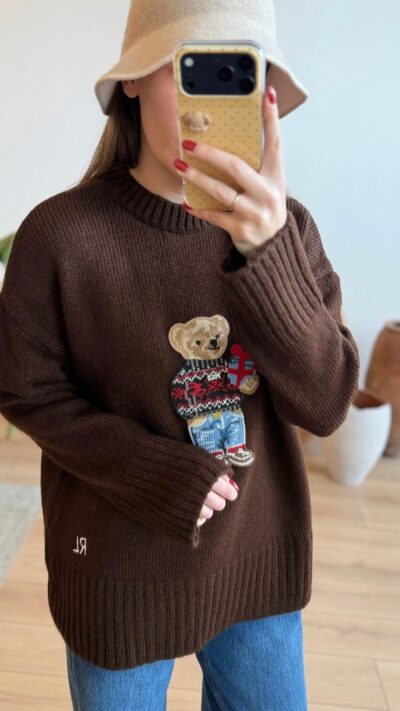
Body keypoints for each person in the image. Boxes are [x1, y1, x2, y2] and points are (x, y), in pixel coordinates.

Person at [0, 0, 360, 709]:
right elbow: (25, 390)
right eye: (195, 69)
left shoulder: (290, 232)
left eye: (240, 73)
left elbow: (325, 404)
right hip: (116, 576)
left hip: (258, 568)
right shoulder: (60, 237)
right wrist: (151, 471)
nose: (210, 105)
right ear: (132, 79)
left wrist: (266, 254)